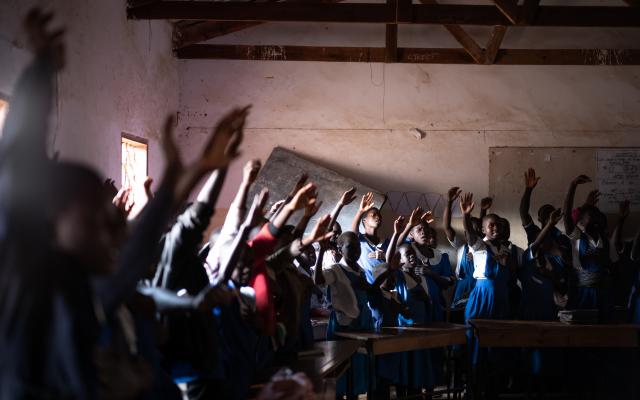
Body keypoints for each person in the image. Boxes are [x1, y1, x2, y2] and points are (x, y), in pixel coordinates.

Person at [351, 192, 390, 283]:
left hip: (388, 287)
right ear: (364, 220)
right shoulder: (360, 240)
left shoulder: (387, 242)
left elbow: (397, 262)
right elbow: (353, 232)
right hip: (369, 287)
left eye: (379, 215)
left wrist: (385, 256)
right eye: (373, 215)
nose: (378, 217)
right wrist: (360, 211)